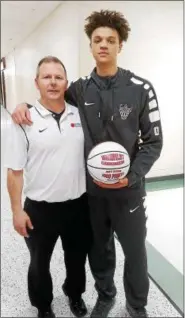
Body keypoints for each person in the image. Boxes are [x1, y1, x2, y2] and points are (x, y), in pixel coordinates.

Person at [11, 10, 163, 318]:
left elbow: (153, 141)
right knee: (99, 250)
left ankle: (137, 305)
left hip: (129, 193)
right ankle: (105, 295)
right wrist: (23, 106)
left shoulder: (140, 88)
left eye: (110, 40)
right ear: (91, 45)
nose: (103, 45)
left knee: (135, 252)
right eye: (97, 40)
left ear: (120, 45)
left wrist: (132, 176)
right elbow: (50, 99)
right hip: (92, 194)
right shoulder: (79, 89)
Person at [5, 56, 92, 318]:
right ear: (37, 82)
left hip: (78, 205)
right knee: (38, 264)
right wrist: (16, 211)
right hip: (40, 209)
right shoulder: (24, 120)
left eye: (58, 77)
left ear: (67, 83)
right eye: (46, 77)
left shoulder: (80, 115)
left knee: (77, 259)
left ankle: (74, 294)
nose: (52, 82)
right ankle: (43, 305)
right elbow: (15, 171)